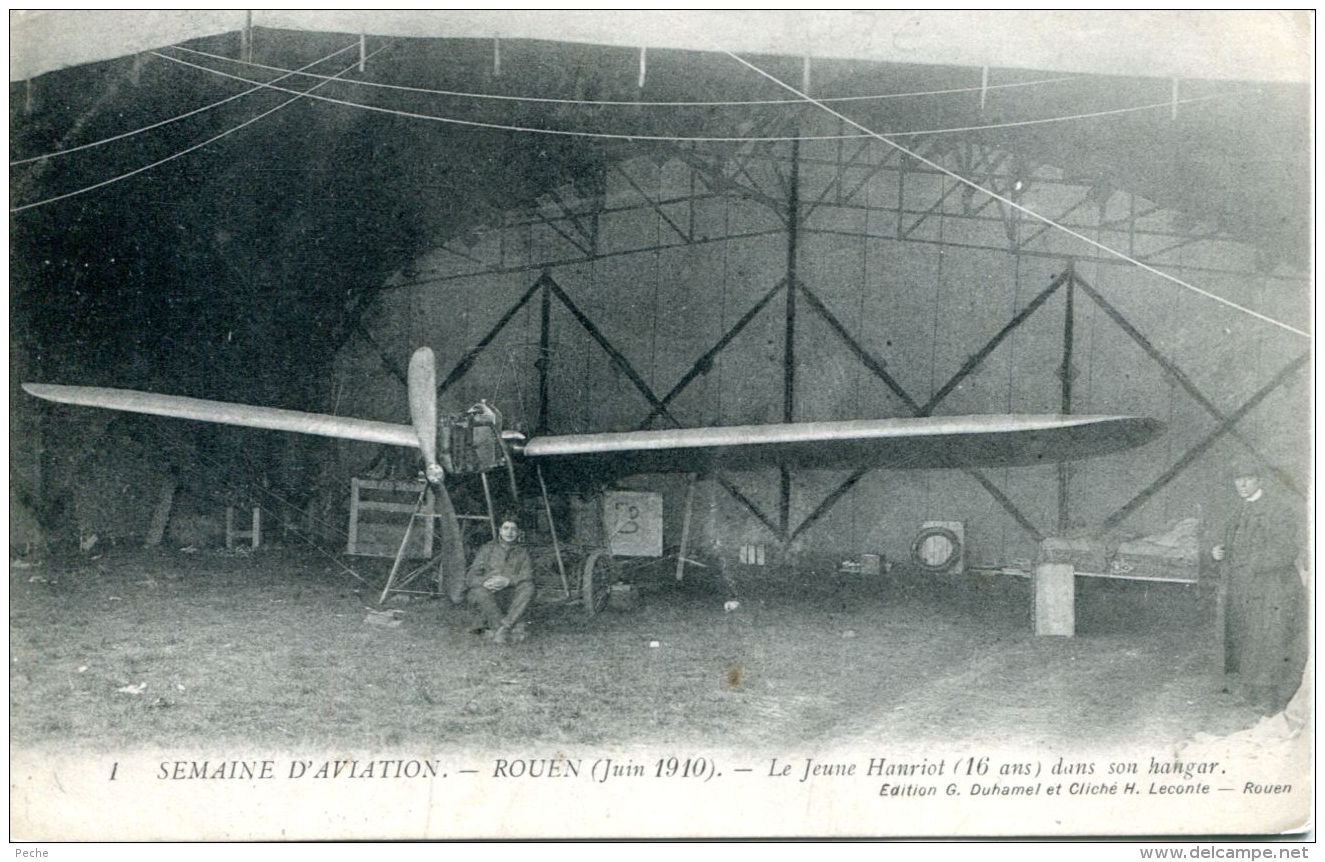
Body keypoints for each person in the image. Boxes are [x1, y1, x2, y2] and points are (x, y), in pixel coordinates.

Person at [1211, 464, 1308, 715]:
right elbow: (1232, 544)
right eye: (1238, 480)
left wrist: (1252, 564)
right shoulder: (1238, 511)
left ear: (1259, 481)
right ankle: (1249, 690)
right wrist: (1219, 552)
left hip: (1273, 588)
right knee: (1246, 636)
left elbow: (1287, 550)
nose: (1241, 485)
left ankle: (1269, 697)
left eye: (1247, 479)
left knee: (1270, 639)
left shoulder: (1278, 510)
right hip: (1244, 587)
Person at [465, 518, 535, 644]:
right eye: (506, 528)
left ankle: (504, 627)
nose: (509, 532)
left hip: (510, 596)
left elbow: (528, 575)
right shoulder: (487, 549)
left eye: (513, 529)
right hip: (489, 594)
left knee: (528, 587)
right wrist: (486, 582)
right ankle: (502, 629)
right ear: (500, 531)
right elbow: (471, 577)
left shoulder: (522, 553)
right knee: (478, 592)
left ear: (518, 532)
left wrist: (508, 581)